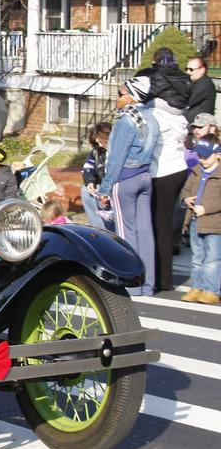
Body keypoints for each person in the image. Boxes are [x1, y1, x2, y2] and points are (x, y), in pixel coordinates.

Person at [97, 76, 161, 297]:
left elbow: (116, 159)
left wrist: (104, 189)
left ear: (131, 97)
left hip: (125, 179)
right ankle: (148, 285)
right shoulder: (152, 118)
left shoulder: (126, 120)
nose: (117, 97)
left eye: (120, 93)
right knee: (145, 232)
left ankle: (131, 285)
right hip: (145, 176)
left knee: (126, 235)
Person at [143, 76, 190, 292]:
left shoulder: (155, 114)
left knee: (156, 225)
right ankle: (165, 277)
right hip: (179, 169)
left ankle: (159, 279)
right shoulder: (179, 114)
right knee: (167, 222)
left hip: (161, 171)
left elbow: (148, 143)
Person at [179, 135, 221, 304]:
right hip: (196, 220)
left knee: (212, 258)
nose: (202, 159)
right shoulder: (197, 171)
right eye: (200, 155)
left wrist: (206, 208)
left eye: (205, 156)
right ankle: (197, 286)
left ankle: (211, 290)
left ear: (218, 154)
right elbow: (186, 190)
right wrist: (186, 200)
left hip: (214, 223)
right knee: (197, 256)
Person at [81, 122, 115, 232]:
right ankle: (98, 226)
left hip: (112, 186)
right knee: (85, 191)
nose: (99, 145)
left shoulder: (116, 152)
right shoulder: (95, 152)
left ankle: (111, 228)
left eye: (102, 142)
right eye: (97, 141)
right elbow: (88, 168)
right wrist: (90, 182)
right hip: (100, 185)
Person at [136, 47, 190, 115]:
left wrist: (141, 102)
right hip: (183, 107)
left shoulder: (159, 73)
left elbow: (153, 92)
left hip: (169, 106)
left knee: (142, 107)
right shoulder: (180, 73)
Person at [184, 57, 216, 122]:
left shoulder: (205, 84)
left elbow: (186, 101)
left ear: (202, 70)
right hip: (191, 124)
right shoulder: (193, 83)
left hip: (199, 127)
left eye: (191, 69)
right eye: (186, 69)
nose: (187, 72)